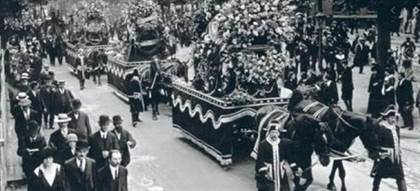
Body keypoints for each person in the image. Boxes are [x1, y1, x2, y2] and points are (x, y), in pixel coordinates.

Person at [371, 105, 407, 191]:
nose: (393, 119)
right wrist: (378, 154)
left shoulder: (396, 128)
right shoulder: (381, 128)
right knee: (378, 175)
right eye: (391, 118)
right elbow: (375, 141)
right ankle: (375, 189)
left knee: (400, 176)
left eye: (394, 117)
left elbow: (397, 141)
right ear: (386, 118)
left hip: (396, 157)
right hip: (385, 156)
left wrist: (398, 150)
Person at [255, 125, 298, 191]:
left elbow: (289, 158)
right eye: (272, 132)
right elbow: (259, 160)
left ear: (279, 133)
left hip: (281, 173)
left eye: (276, 132)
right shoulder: (263, 144)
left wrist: (295, 169)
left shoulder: (282, 143)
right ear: (269, 133)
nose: (274, 135)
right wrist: (264, 173)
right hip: (268, 173)